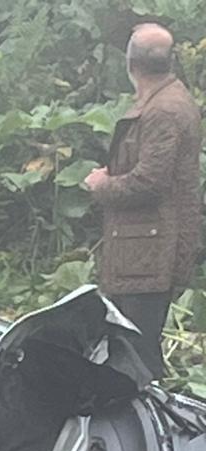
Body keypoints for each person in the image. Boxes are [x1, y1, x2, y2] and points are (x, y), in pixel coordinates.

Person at [84, 22, 202, 378]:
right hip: (144, 252)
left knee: (137, 359)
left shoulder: (164, 110)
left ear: (130, 63)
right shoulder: (168, 100)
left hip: (150, 252)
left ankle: (163, 429)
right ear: (171, 61)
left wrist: (102, 184)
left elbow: (150, 182)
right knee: (131, 350)